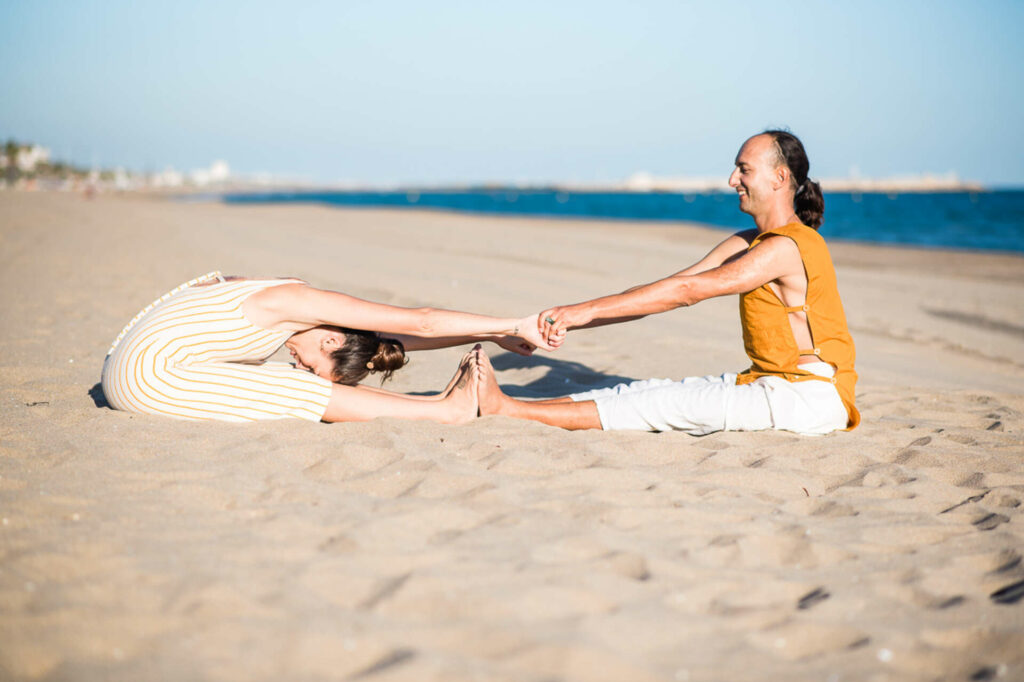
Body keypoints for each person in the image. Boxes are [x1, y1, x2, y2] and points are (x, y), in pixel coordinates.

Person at [477, 130, 859, 435]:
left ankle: (503, 407)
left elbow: (686, 294)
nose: (732, 180)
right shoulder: (747, 240)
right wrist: (572, 319)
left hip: (809, 397)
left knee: (658, 406)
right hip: (769, 383)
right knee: (639, 392)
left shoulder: (788, 246)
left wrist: (580, 313)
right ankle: (506, 403)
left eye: (744, 170)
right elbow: (671, 286)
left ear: (780, 177)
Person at [101, 272, 558, 423]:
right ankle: (446, 412)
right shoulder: (296, 303)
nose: (302, 365)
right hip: (145, 376)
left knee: (283, 382)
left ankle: (438, 403)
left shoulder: (295, 314)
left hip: (136, 364)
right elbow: (419, 319)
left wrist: (492, 337)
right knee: (297, 395)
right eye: (316, 364)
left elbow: (401, 339)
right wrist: (513, 323)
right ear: (332, 339)